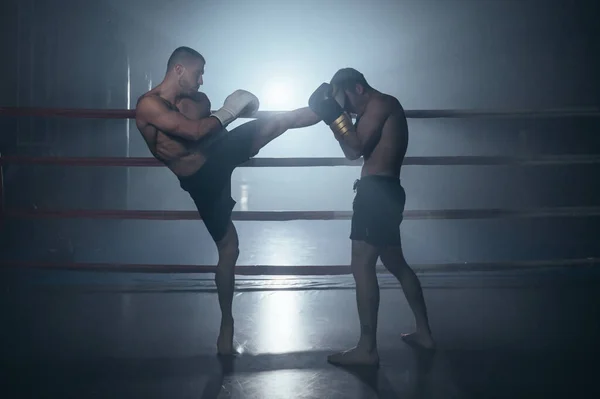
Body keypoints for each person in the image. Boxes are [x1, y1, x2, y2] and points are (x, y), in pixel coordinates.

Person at [135, 46, 320, 355]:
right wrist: (231, 109)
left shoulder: (199, 101)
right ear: (178, 69)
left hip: (221, 151)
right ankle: (227, 325)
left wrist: (240, 109)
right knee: (229, 248)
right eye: (198, 73)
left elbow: (211, 128)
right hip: (201, 181)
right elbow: (193, 132)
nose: (202, 80)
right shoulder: (149, 105)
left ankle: (331, 108)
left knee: (280, 120)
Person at [308, 68, 435, 367]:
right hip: (383, 192)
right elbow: (352, 153)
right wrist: (335, 119)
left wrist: (332, 115)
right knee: (395, 263)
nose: (348, 110)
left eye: (347, 102)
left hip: (377, 195)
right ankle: (425, 333)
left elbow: (355, 146)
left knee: (362, 265)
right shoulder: (371, 110)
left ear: (358, 88)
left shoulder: (380, 104)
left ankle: (367, 349)